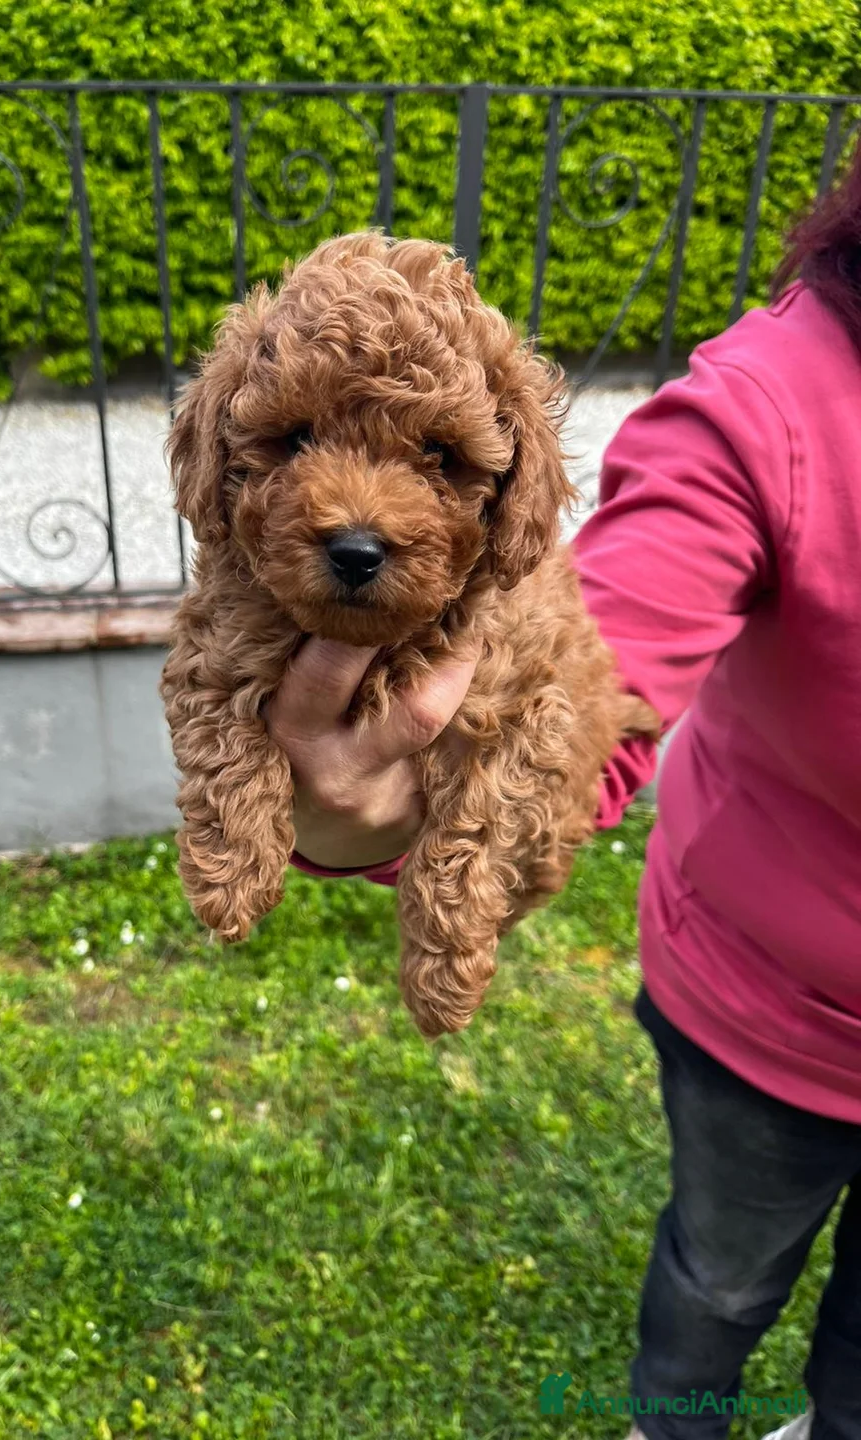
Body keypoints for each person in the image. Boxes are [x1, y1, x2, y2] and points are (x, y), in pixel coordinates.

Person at [266, 139, 861, 1440]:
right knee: (720, 1279)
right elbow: (589, 679)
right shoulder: (775, 407)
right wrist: (390, 806)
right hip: (779, 1020)